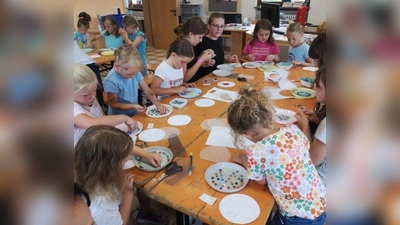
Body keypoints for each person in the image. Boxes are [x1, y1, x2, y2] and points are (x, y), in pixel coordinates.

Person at [227, 86, 326, 225]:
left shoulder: (256, 151)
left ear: (246, 135)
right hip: (320, 203)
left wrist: (245, 161)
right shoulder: (292, 130)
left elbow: (260, 181)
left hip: (296, 216)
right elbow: (305, 148)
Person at [75, 125, 170, 225]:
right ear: (110, 166)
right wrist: (127, 193)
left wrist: (146, 154)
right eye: (125, 160)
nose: (128, 158)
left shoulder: (85, 164)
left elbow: (121, 148)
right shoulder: (102, 204)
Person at [74, 63, 138, 147]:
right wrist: (124, 118)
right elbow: (90, 123)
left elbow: (101, 117)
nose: (93, 97)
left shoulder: (89, 98)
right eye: (86, 95)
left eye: (94, 90)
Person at [103, 45, 166, 117]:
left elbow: (147, 91)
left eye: (135, 73)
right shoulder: (111, 81)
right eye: (129, 74)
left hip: (133, 113)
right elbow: (114, 104)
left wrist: (157, 104)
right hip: (118, 117)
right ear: (117, 66)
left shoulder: (133, 71)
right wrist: (133, 106)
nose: (133, 76)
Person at [295, 66, 326, 185]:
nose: (314, 87)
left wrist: (305, 126)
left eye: (318, 86)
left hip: (322, 181)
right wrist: (317, 120)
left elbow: (312, 160)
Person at [187, 13, 238, 82]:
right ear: (208, 26)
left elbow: (218, 56)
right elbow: (193, 62)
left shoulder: (219, 39)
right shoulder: (200, 41)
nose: (219, 29)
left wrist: (227, 59)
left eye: (221, 26)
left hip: (218, 75)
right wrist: (204, 61)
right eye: (215, 26)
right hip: (204, 77)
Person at [173, 17, 214, 82]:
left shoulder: (190, 44)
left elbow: (191, 64)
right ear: (191, 34)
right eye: (199, 37)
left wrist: (201, 56)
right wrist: (201, 59)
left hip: (193, 81)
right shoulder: (181, 48)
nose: (201, 40)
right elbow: (185, 78)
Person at [74, 41, 105, 106]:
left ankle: (99, 106)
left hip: (81, 67)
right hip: (87, 64)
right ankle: (100, 105)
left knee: (93, 89)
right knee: (94, 89)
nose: (93, 97)